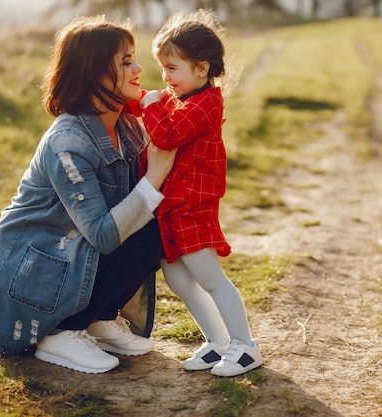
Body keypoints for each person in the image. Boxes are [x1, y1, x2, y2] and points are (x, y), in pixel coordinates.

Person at [0, 15, 177, 374]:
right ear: (95, 73)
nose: (139, 68)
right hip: (35, 273)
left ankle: (97, 318)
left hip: (75, 257)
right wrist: (157, 173)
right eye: (126, 61)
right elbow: (103, 233)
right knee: (147, 223)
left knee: (163, 225)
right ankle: (61, 332)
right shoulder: (68, 141)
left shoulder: (127, 126)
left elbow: (134, 212)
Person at [137, 9, 262, 377]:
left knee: (210, 278)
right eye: (163, 68)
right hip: (172, 209)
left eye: (173, 68)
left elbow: (166, 135)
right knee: (177, 280)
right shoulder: (182, 101)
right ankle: (219, 343)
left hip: (192, 207)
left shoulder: (205, 104)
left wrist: (150, 104)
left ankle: (245, 346)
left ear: (202, 69)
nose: (166, 77)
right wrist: (135, 99)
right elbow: (154, 112)